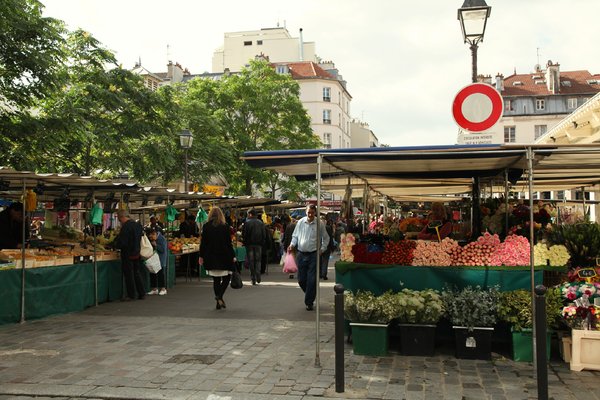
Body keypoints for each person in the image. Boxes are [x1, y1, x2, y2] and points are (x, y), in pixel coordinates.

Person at [288, 204, 330, 311]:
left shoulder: (319, 224)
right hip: (301, 254)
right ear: (305, 212)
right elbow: (295, 236)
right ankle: (310, 293)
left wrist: (322, 249)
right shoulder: (301, 222)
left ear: (315, 213)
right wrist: (292, 244)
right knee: (301, 279)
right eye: (308, 213)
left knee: (312, 280)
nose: (310, 215)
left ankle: (309, 302)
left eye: (312, 213)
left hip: (313, 255)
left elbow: (326, 238)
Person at [199, 207, 236, 310]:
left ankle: (218, 301)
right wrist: (233, 255)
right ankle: (219, 296)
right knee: (226, 277)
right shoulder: (225, 226)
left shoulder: (206, 227)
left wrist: (201, 256)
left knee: (216, 279)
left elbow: (203, 244)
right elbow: (229, 243)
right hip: (224, 256)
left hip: (211, 256)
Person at [114, 209, 146, 301]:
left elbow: (123, 242)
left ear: (122, 217)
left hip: (128, 253)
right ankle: (141, 293)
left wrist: (116, 245)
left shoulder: (126, 227)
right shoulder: (137, 225)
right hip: (136, 252)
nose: (120, 222)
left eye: (119, 219)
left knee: (129, 275)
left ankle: (131, 295)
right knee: (136, 273)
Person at [242, 209, 265, 285]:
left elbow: (244, 235)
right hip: (258, 245)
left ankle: (253, 278)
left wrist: (245, 242)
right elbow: (264, 234)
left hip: (249, 245)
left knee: (251, 261)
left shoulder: (247, 223)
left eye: (248, 214)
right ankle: (258, 273)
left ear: (250, 214)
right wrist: (262, 243)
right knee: (258, 260)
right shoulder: (260, 223)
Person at [147, 228, 167, 296]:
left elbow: (163, 250)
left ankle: (163, 289)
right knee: (152, 273)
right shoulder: (152, 239)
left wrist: (156, 245)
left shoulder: (162, 239)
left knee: (160, 274)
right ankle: (154, 289)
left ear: (155, 233)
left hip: (160, 260)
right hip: (153, 259)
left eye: (152, 236)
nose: (151, 237)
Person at [282, 215, 297, 279]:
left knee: (292, 259)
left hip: (290, 245)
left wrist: (285, 246)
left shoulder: (288, 226)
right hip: (297, 245)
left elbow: (286, 237)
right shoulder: (296, 226)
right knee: (296, 258)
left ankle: (291, 273)